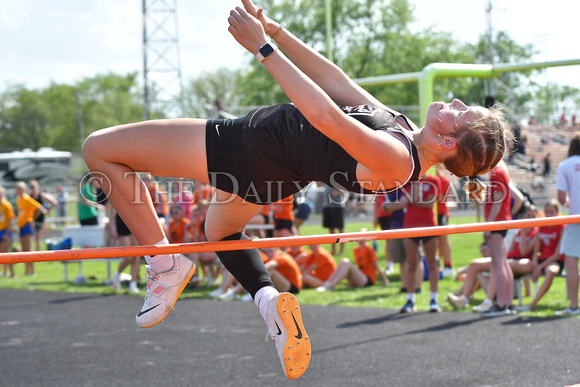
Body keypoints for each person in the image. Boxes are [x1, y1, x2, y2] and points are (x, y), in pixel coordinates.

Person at [81, 0, 508, 379]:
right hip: (272, 171)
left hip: (250, 147)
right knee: (221, 235)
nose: (452, 101)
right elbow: (337, 84)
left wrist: (264, 50)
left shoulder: (398, 161)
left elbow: (327, 116)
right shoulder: (405, 133)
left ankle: (163, 264)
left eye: (459, 111)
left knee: (99, 149)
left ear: (449, 143)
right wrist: (278, 32)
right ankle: (270, 304)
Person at [397, 174, 442, 313]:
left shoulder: (434, 181)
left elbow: (429, 203)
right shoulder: (408, 180)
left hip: (429, 225)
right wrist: (411, 200)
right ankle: (410, 300)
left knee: (432, 263)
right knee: (411, 264)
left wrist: (411, 201)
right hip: (410, 226)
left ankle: (434, 299)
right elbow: (405, 200)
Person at [480, 161, 516, 317]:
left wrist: (489, 224)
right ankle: (507, 302)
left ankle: (502, 303)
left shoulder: (497, 172)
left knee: (498, 264)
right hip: (501, 220)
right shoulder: (501, 171)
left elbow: (497, 200)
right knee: (503, 263)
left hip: (498, 221)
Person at [517, 200, 565, 311]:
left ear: (557, 213)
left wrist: (540, 267)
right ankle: (507, 301)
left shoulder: (562, 227)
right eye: (546, 211)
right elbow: (536, 251)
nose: (548, 214)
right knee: (513, 265)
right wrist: (535, 262)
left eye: (552, 212)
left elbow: (557, 254)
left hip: (554, 261)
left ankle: (532, 304)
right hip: (542, 260)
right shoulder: (542, 226)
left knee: (551, 271)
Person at [316, 229, 389, 292]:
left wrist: (385, 280)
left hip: (367, 279)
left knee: (346, 262)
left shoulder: (369, 250)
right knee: (343, 261)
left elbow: (377, 266)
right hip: (360, 277)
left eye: (363, 237)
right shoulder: (356, 250)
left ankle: (331, 285)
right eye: (359, 237)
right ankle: (327, 284)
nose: (360, 240)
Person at [556, 132, 580, 316]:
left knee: (572, 262)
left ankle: (574, 305)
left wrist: (569, 202)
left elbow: (561, 197)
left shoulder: (565, 165)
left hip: (575, 219)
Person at [15, 181, 47, 276]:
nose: (19, 191)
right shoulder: (19, 200)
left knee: (28, 250)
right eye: (17, 189)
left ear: (24, 189)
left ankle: (32, 271)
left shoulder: (27, 199)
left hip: (27, 225)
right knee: (24, 250)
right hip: (21, 225)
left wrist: (32, 218)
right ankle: (26, 271)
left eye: (20, 189)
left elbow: (40, 208)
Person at [29, 180, 57, 252]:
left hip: (39, 219)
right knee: (30, 237)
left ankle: (37, 254)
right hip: (31, 219)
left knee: (38, 237)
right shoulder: (29, 196)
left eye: (34, 187)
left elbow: (54, 202)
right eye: (31, 187)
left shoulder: (41, 195)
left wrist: (47, 210)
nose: (32, 189)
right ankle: (31, 253)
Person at [436, 169, 455, 277]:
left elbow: (440, 198)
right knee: (436, 242)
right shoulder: (434, 179)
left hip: (441, 213)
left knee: (444, 240)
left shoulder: (443, 180)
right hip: (434, 213)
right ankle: (439, 265)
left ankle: (448, 265)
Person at [0, 186, 16, 278]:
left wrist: (6, 233)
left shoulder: (6, 205)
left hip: (5, 230)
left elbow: (10, 219)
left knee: (7, 253)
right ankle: (3, 271)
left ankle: (12, 273)